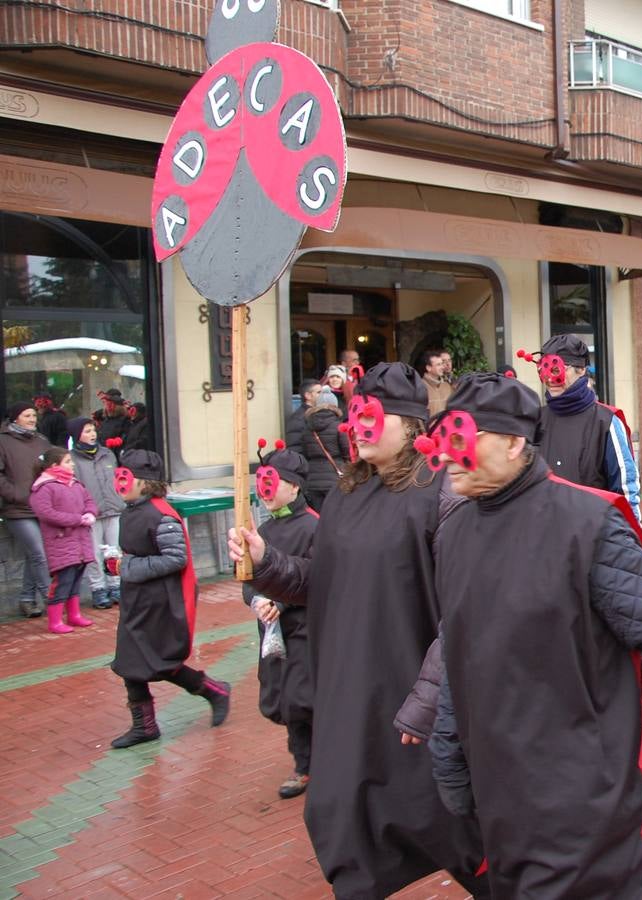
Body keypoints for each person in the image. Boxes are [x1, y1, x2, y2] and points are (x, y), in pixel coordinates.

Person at [412, 373, 642, 897]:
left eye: (461, 437)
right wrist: (450, 754)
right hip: (501, 798)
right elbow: (457, 647)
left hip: (583, 801)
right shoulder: (456, 533)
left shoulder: (589, 524)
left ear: (515, 442)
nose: (443, 455)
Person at [229, 362, 487, 900]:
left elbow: (468, 609)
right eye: (356, 416)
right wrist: (267, 561)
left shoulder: (443, 493)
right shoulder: (346, 494)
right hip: (349, 697)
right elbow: (321, 582)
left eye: (373, 416)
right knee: (344, 823)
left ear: (413, 424)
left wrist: (433, 699)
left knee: (449, 824)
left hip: (414, 699)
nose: (359, 426)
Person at [107, 449, 231, 748]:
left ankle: (215, 691)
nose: (121, 484)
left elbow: (176, 559)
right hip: (137, 599)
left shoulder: (161, 515)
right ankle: (145, 726)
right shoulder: (133, 511)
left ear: (145, 482)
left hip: (160, 602)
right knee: (128, 662)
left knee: (159, 661)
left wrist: (128, 567)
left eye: (128, 478)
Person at [244, 443, 318, 800]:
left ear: (294, 486)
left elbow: (317, 579)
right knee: (285, 700)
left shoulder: (316, 527)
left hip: (306, 633)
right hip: (274, 636)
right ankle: (303, 763)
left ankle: (314, 764)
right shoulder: (264, 532)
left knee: (306, 699)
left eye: (273, 481)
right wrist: (257, 599)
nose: (265, 490)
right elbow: (249, 579)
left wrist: (282, 603)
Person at [522, 335, 642, 522]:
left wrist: (630, 540)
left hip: (593, 538)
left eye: (557, 369)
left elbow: (626, 493)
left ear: (582, 370)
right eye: (543, 370)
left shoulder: (606, 421)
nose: (550, 378)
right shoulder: (536, 420)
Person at [28, 447, 97, 634]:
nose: (72, 464)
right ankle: (55, 620)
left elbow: (89, 501)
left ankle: (74, 615)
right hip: (61, 541)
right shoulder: (44, 487)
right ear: (53, 465)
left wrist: (90, 513)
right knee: (62, 581)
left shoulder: (76, 484)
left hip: (80, 540)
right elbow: (46, 513)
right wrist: (77, 519)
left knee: (76, 578)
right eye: (67, 461)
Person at [1, 403, 54, 617]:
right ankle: (52, 600)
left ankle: (26, 599)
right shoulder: (3, 441)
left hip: (42, 506)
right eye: (26, 415)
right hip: (17, 509)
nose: (32, 419)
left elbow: (54, 468)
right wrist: (16, 495)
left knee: (36, 554)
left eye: (34, 415)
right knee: (39, 553)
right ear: (15, 418)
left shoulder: (41, 441)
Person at [68, 417, 124, 609]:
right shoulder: (72, 459)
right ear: (77, 435)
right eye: (87, 431)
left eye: (93, 430)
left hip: (113, 509)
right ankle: (98, 589)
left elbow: (117, 479)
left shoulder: (108, 454)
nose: (92, 435)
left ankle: (115, 585)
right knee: (93, 553)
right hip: (90, 513)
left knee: (114, 550)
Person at [300, 394, 349, 511]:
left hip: (312, 479)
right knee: (335, 516)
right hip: (335, 478)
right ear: (335, 406)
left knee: (318, 517)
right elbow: (347, 452)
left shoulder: (308, 428)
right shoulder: (339, 427)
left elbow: (305, 453)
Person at [286, 380, 321, 448]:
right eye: (319, 392)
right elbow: (294, 446)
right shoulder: (298, 418)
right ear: (308, 395)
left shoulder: (319, 413)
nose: (323, 395)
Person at [420, 348, 453, 419]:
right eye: (438, 364)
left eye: (441, 364)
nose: (442, 367)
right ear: (428, 367)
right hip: (429, 429)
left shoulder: (447, 386)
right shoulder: (420, 387)